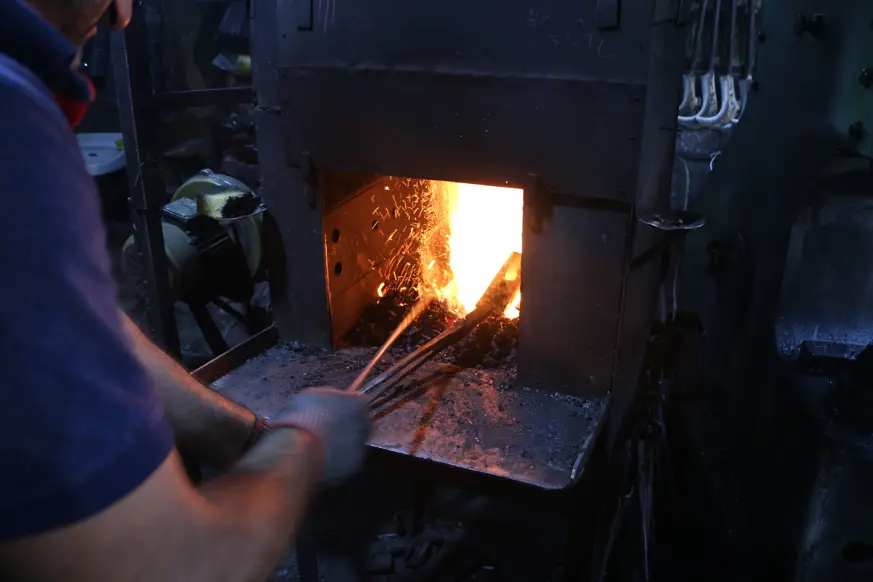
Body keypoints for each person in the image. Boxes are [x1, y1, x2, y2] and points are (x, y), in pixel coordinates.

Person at [0, 1, 371, 580]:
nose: (123, 13)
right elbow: (173, 565)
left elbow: (62, 325)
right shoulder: (12, 128)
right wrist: (304, 444)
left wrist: (247, 437)